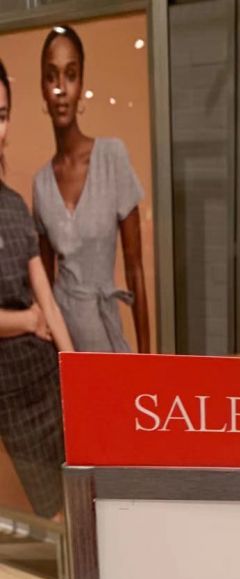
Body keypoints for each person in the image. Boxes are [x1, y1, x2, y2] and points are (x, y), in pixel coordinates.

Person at [33, 24, 150, 353]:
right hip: (61, 346)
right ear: (43, 88)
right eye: (51, 77)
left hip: (104, 335)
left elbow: (135, 268)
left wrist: (148, 360)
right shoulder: (42, 183)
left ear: (81, 84)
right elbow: (44, 285)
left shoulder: (112, 157)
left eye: (70, 75)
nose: (61, 88)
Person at [0, 59, 73, 521]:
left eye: (1, 115)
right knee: (49, 512)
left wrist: (77, 370)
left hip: (44, 378)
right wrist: (27, 320)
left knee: (76, 492)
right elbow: (35, 312)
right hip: (8, 393)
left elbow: (46, 296)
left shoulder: (12, 204)